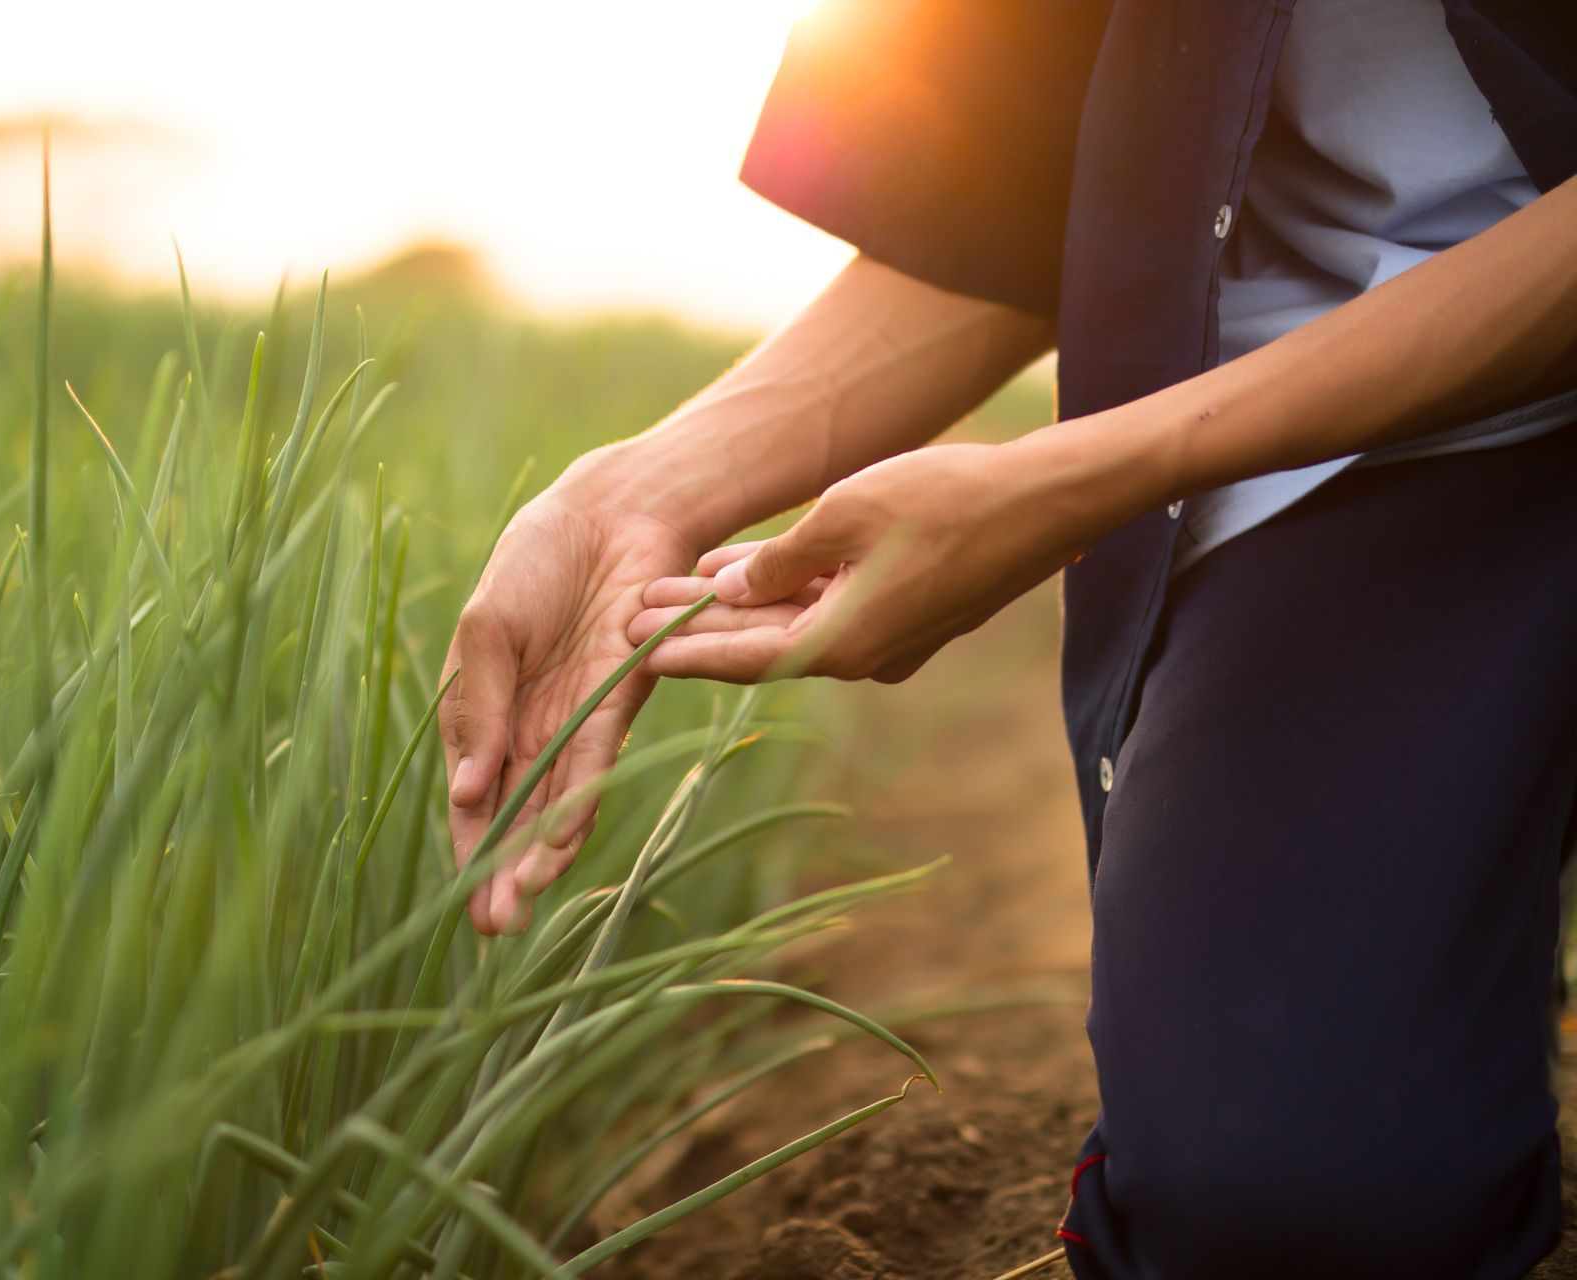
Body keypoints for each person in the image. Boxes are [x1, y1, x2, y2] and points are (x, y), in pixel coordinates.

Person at [438, 1, 1577, 1275]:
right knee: (1287, 1199)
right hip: (1363, 443)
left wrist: (1076, 477)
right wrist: (639, 492)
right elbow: (998, 197)